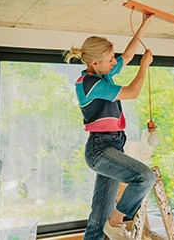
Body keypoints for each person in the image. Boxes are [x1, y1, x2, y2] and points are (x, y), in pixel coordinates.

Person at [64, 14, 156, 240]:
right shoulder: (89, 83)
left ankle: (106, 224)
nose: (115, 62)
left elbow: (127, 55)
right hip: (100, 150)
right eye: (110, 60)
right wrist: (144, 67)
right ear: (94, 63)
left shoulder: (103, 76)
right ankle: (115, 223)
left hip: (114, 147)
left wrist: (144, 25)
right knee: (145, 177)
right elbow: (132, 92)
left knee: (98, 219)